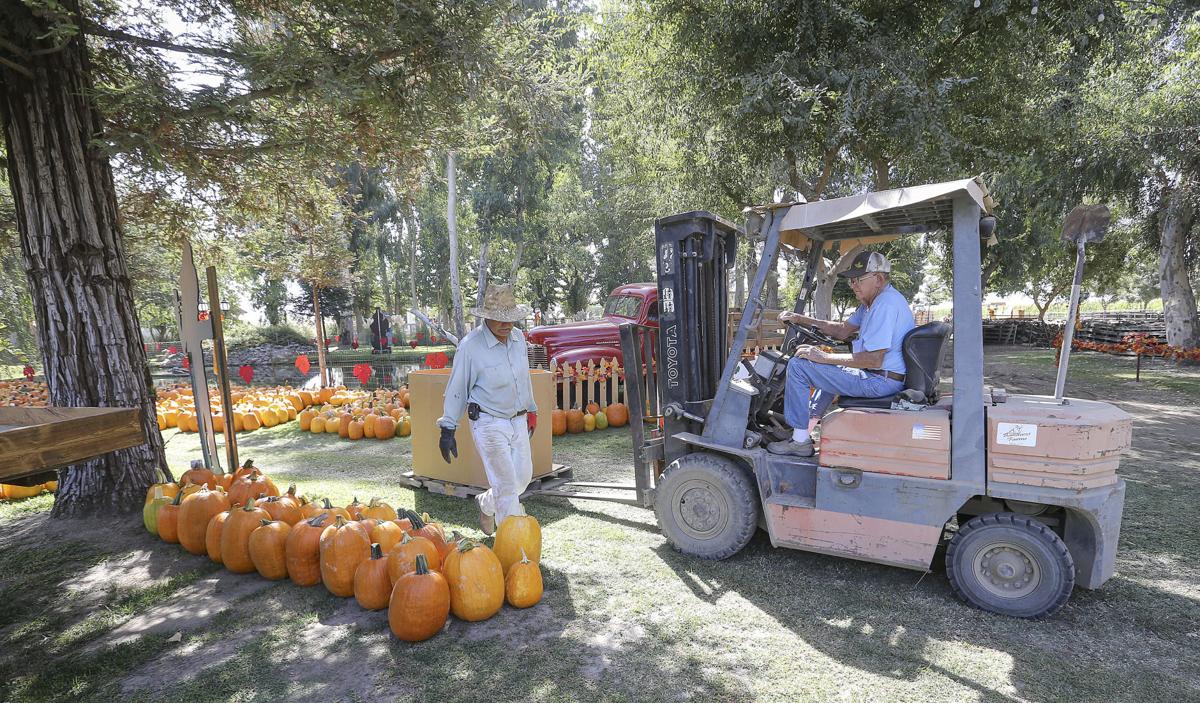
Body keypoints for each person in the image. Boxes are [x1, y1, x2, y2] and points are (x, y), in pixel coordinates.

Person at [768, 251, 915, 457]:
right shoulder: (872, 304)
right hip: (880, 376)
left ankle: (800, 441)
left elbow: (874, 359)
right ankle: (803, 431)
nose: (853, 285)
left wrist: (822, 357)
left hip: (879, 380)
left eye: (858, 280)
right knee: (829, 369)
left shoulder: (885, 305)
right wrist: (800, 319)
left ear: (878, 279)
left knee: (798, 366)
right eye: (851, 280)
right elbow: (842, 330)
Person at [437, 283, 538, 535]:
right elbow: (457, 387)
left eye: (511, 319)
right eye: (500, 319)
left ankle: (485, 502)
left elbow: (523, 377)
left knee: (521, 481)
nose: (507, 325)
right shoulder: (470, 346)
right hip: (488, 422)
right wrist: (448, 428)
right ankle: (513, 548)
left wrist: (532, 409)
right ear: (486, 317)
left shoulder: (518, 339)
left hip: (518, 419)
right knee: (506, 488)